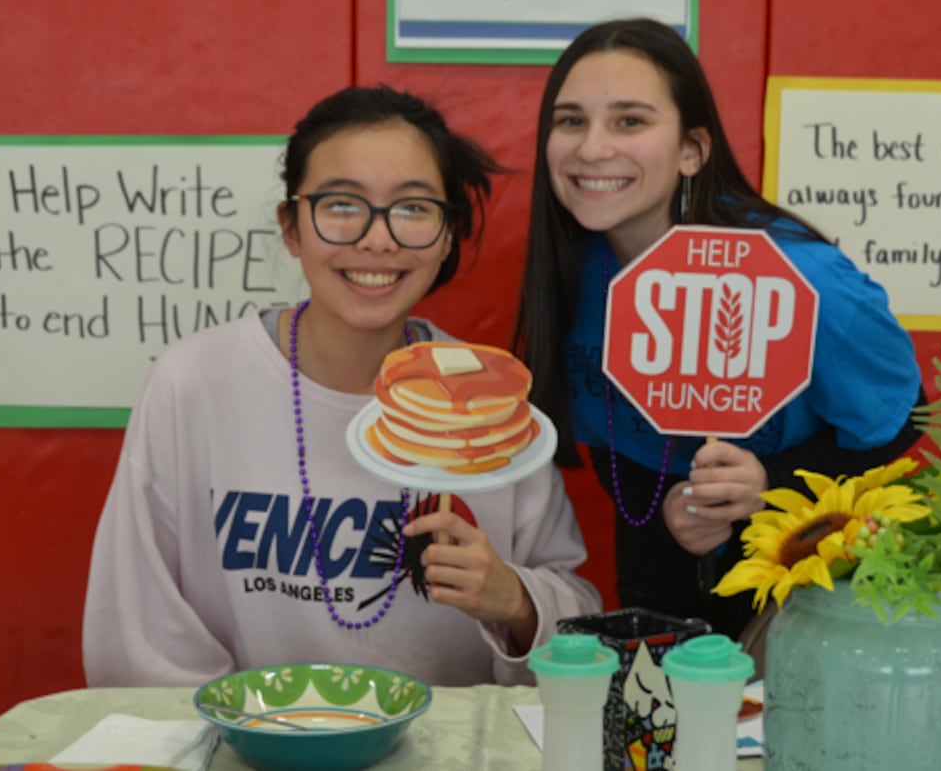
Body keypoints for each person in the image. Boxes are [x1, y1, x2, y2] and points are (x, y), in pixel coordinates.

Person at [83, 85, 601, 687]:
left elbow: (581, 630)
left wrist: (515, 601)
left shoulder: (490, 400)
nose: (376, 238)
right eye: (341, 205)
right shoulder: (192, 383)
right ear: (292, 226)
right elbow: (138, 631)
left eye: (412, 208)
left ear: (446, 236)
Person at [513, 18, 922, 637]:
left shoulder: (809, 280)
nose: (592, 148)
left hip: (817, 572)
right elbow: (619, 450)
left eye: (629, 120)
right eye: (571, 121)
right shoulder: (576, 270)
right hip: (664, 567)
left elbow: (903, 420)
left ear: (692, 150)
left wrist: (771, 486)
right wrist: (676, 511)